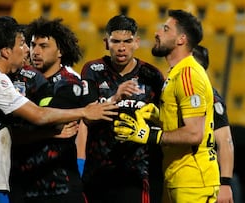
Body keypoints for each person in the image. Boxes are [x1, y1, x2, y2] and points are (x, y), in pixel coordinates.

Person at [0, 17, 118, 203]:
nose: (29, 51)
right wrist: (84, 111)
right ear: (6, 51)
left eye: (42, 46)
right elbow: (39, 115)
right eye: (23, 44)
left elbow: (13, 129)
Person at [113, 9, 220, 203]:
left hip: (193, 180)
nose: (157, 33)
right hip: (177, 178)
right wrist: (158, 116)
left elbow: (195, 133)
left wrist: (148, 135)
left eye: (165, 29)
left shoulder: (188, 74)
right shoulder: (176, 74)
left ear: (181, 39)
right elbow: (181, 122)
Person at [79, 14, 165, 203]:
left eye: (127, 41)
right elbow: (87, 117)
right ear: (106, 43)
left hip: (135, 173)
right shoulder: (93, 70)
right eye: (115, 41)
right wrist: (115, 97)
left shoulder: (151, 75)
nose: (121, 47)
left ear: (137, 42)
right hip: (97, 171)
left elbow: (166, 121)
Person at [9, 17, 88, 203]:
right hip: (21, 184)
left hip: (60, 184)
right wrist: (49, 131)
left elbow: (50, 121)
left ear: (60, 50)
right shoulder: (16, 78)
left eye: (43, 46)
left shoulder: (69, 82)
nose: (35, 51)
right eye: (33, 45)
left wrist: (24, 120)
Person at [193, 45, 234, 203]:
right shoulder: (174, 89)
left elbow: (225, 141)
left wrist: (225, 184)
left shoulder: (211, 97)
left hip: (201, 179)